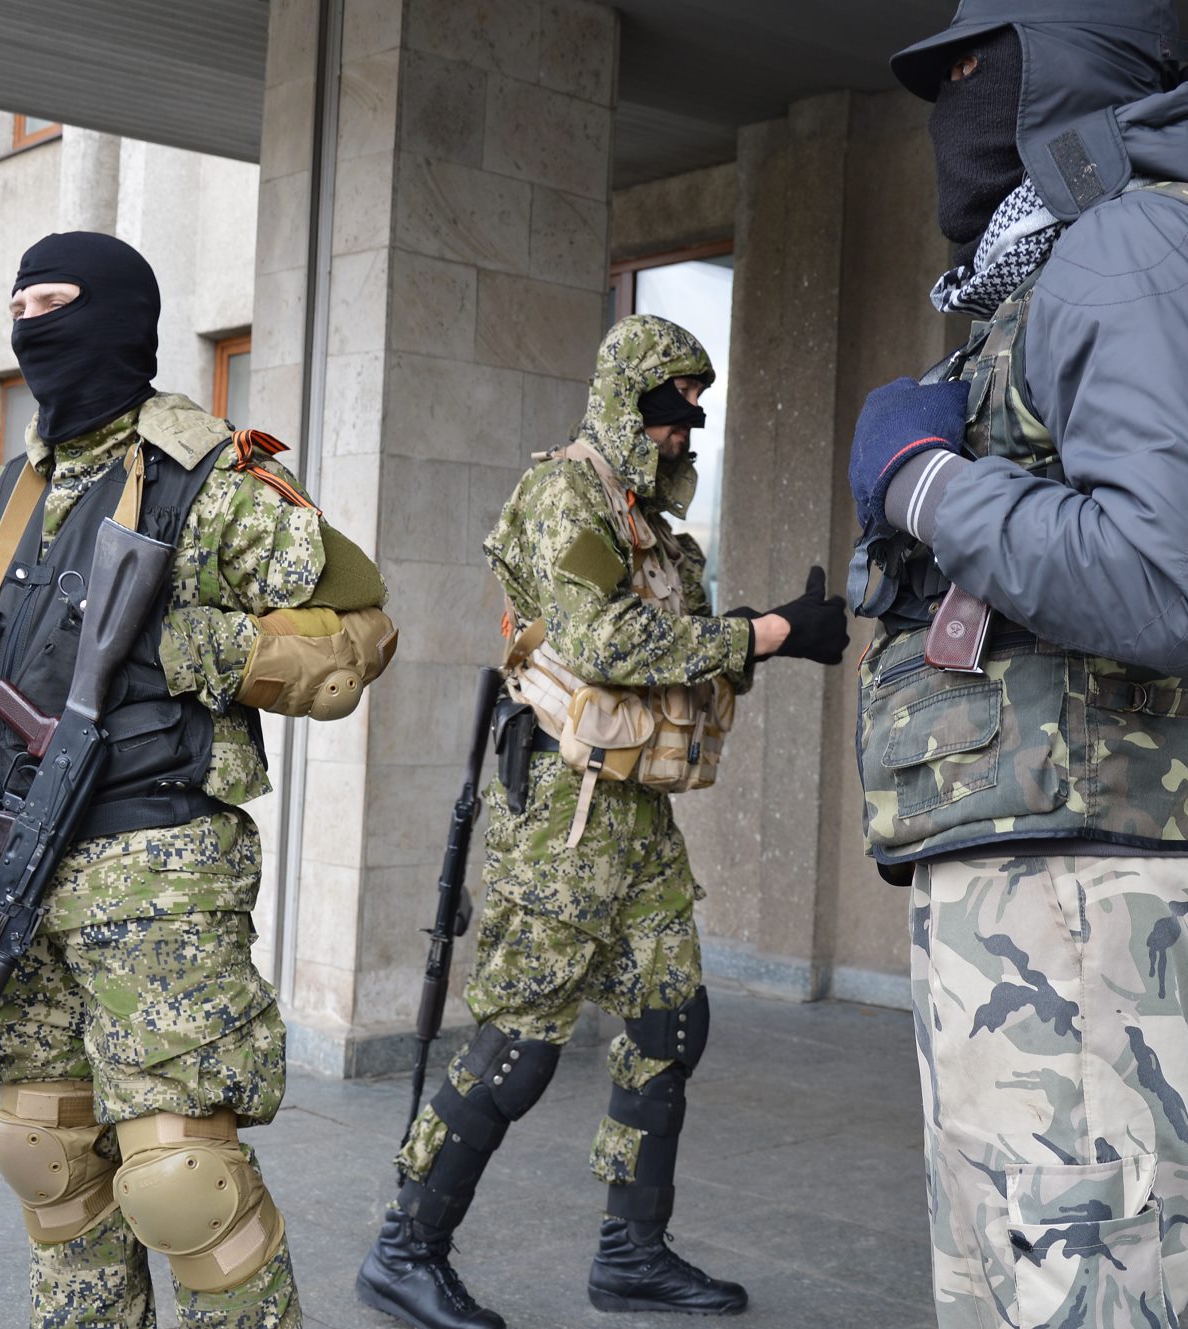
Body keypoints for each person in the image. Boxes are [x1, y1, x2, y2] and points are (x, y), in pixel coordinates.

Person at [843, 3, 1188, 1326]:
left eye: (972, 69)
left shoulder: (1131, 244)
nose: (949, 105)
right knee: (1010, 1290)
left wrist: (922, 485)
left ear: (1064, 73)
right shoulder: (1084, 257)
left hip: (1072, 879)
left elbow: (1161, 583)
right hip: (1041, 862)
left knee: (1066, 1297)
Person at [0, 230, 396, 1329]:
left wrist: (203, 652)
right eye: (19, 300)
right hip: (11, 869)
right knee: (47, 1159)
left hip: (155, 876)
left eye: (56, 300)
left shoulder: (209, 476)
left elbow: (361, 631)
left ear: (120, 317)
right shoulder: (4, 501)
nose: (32, 324)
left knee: (182, 1184)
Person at [355, 314, 850, 1329]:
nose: (688, 430)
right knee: (519, 1046)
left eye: (697, 412)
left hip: (634, 818)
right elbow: (603, 638)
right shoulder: (562, 493)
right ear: (630, 401)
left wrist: (777, 637)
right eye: (674, 410)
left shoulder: (648, 527)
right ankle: (403, 1251)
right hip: (562, 823)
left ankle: (631, 1255)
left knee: (672, 1020)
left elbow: (671, 639)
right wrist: (763, 633)